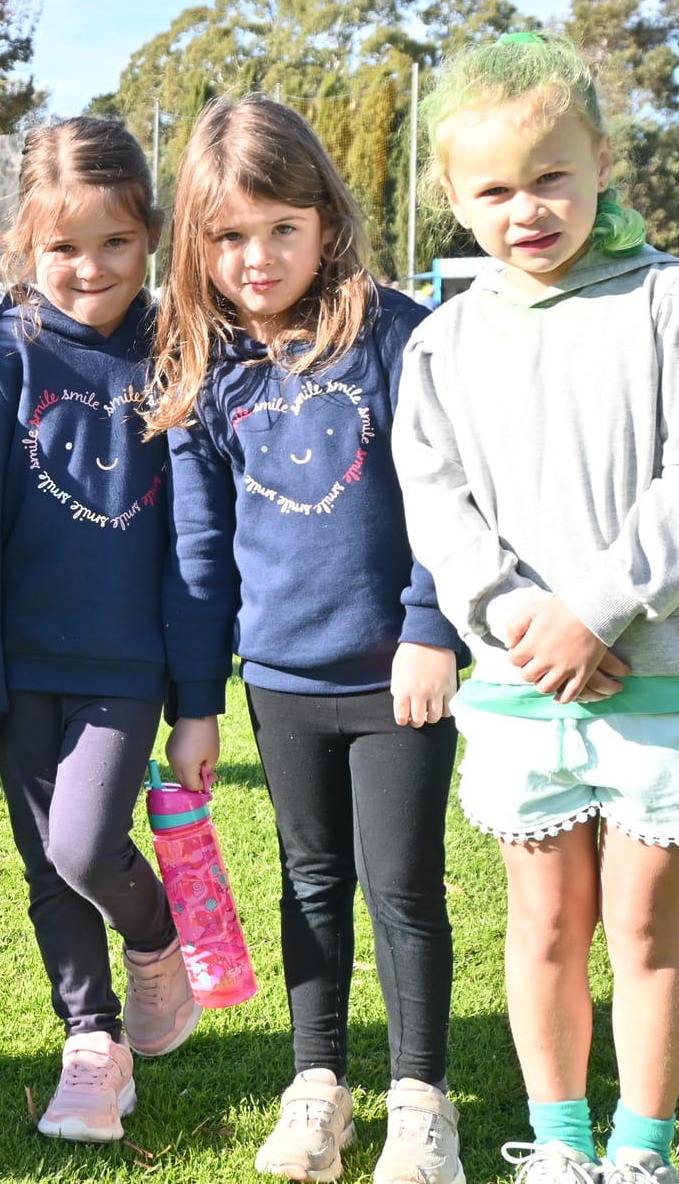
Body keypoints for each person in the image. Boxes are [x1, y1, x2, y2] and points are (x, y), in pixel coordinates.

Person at [396, 33, 679, 1184]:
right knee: (545, 923)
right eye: (493, 190)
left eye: (550, 176)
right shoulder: (443, 340)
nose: (526, 210)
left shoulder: (676, 303)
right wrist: (523, 620)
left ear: (600, 161)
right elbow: (436, 506)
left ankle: (639, 1151)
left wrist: (594, 611)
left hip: (662, 676)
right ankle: (558, 1147)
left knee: (644, 926)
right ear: (452, 196)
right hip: (520, 683)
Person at [147, 94, 468, 1184]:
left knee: (402, 885)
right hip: (277, 681)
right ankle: (318, 1084)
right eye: (229, 235)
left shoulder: (397, 334)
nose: (257, 257)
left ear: (327, 216)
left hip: (399, 675)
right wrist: (198, 703)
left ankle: (420, 1102)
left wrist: (431, 628)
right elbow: (200, 553)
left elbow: (448, 496)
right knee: (310, 880)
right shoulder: (203, 365)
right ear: (196, 244)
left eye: (282, 227)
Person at [0, 117, 196, 1145]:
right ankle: (92, 1043)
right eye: (63, 247)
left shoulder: (177, 349)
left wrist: (194, 691)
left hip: (125, 662)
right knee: (44, 865)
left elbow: (195, 537)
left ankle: (157, 935)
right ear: (27, 245)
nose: (90, 269)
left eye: (114, 242)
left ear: (150, 236)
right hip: (21, 661)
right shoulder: (7, 350)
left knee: (84, 844)